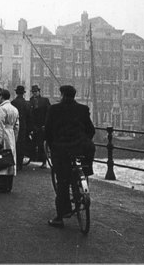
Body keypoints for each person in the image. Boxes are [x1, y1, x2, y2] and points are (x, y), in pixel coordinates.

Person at [45, 85, 96, 228]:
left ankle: (61, 216)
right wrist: (83, 140)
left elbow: (48, 131)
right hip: (81, 148)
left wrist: (52, 145)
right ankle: (83, 179)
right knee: (80, 168)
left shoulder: (54, 109)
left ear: (62, 95)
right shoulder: (83, 109)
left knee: (62, 181)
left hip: (62, 151)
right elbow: (91, 130)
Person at [11, 85, 33, 171]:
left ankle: (14, 162)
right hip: (23, 127)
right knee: (21, 145)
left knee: (14, 144)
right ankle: (20, 164)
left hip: (14, 127)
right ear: (23, 93)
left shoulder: (13, 103)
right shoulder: (27, 104)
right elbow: (30, 117)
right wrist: (30, 129)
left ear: (16, 93)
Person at [29, 84, 51, 168]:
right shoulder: (31, 101)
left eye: (36, 92)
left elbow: (48, 113)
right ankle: (35, 158)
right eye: (33, 92)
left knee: (42, 144)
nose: (34, 93)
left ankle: (44, 161)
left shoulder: (45, 100)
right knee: (35, 142)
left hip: (42, 125)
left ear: (39, 92)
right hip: (34, 126)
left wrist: (45, 124)